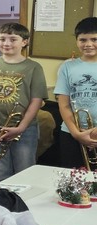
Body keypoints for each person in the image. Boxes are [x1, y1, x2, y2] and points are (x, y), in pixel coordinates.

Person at [0, 23, 47, 182]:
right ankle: (2, 205)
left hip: (25, 129)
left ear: (24, 42)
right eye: (2, 39)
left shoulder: (33, 67)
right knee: (1, 174)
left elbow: (36, 100)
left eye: (13, 39)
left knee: (25, 173)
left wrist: (21, 127)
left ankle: (23, 206)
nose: (6, 43)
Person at [55, 17, 97, 169]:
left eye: (94, 39)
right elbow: (64, 104)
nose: (88, 44)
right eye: (83, 40)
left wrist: (93, 133)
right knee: (74, 178)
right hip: (71, 133)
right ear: (77, 41)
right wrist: (76, 133)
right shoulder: (68, 67)